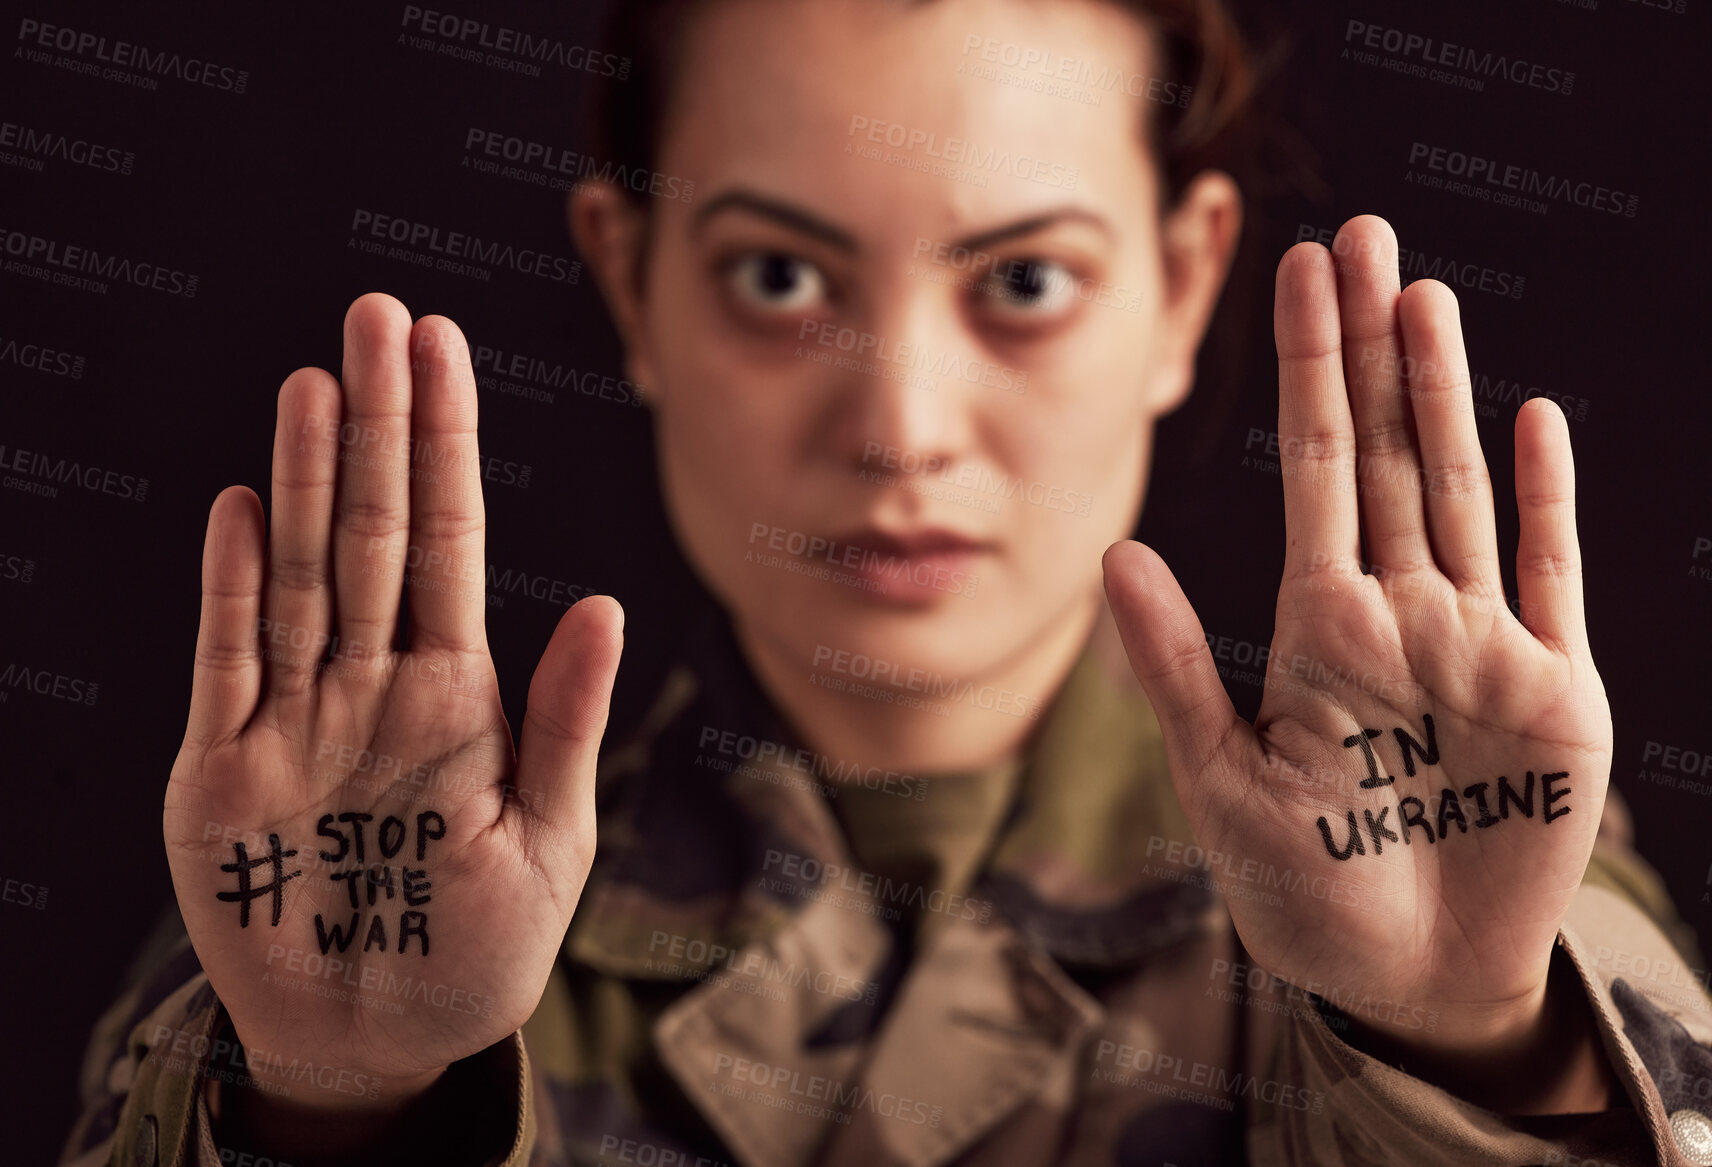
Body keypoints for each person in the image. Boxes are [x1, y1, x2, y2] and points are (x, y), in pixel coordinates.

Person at [59, 0, 1712, 1164]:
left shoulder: (1467, 875)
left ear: (1182, 278)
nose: (900, 424)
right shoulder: (345, 904)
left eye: (1026, 280)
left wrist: (1475, 1047)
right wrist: (340, 1105)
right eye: (779, 274)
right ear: (632, 282)